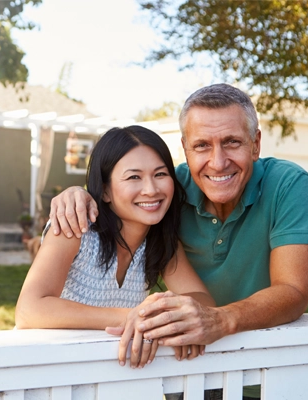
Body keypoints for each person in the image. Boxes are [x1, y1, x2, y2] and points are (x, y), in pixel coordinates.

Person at [47, 84, 308, 398]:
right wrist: (77, 194)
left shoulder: (288, 184)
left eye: (232, 142)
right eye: (202, 145)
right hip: (184, 369)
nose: (218, 162)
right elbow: (123, 190)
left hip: (264, 372)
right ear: (186, 149)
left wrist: (220, 319)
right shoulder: (169, 190)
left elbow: (294, 290)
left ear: (256, 144)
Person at [14, 125, 214, 368]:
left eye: (160, 174)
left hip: (110, 375)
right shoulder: (76, 228)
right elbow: (29, 310)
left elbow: (204, 302)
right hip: (48, 369)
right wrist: (137, 316)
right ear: (105, 190)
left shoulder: (160, 241)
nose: (151, 190)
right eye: (133, 177)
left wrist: (163, 313)